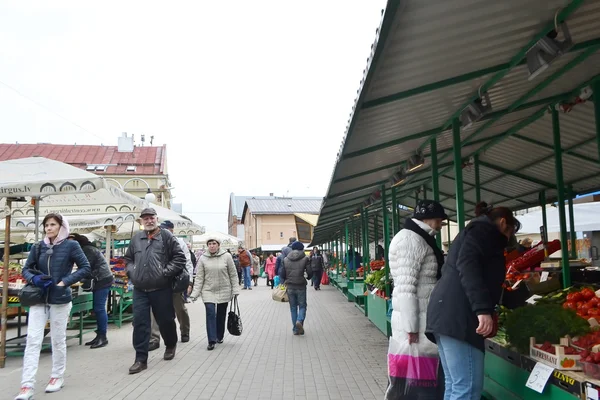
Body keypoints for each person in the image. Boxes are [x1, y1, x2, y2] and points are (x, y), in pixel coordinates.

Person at [426, 202, 521, 400]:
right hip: (460, 319)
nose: (510, 238)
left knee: (456, 386)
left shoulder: (474, 232)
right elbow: (468, 267)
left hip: (447, 314)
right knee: (466, 389)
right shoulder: (483, 232)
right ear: (503, 223)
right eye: (510, 231)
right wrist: (482, 310)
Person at [16, 214, 91, 400]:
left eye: (53, 225)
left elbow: (85, 268)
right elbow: (26, 269)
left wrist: (64, 282)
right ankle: (27, 386)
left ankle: (57, 377)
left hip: (60, 298)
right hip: (38, 298)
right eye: (46, 225)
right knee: (33, 340)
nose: (49, 228)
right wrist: (34, 278)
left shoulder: (71, 245)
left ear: (61, 226)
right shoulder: (38, 246)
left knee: (58, 339)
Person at [385, 200, 447, 399]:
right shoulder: (410, 240)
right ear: (430, 219)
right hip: (415, 325)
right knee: (417, 382)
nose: (440, 226)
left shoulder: (420, 237)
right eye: (439, 221)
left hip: (423, 318)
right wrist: (410, 327)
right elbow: (405, 288)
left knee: (423, 379)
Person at [124, 208, 187, 375]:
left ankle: (170, 344)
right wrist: (132, 272)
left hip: (161, 288)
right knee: (140, 323)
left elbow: (179, 257)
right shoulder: (136, 238)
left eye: (151, 218)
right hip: (140, 289)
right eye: (145, 218)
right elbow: (128, 259)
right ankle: (140, 359)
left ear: (156, 219)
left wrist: (165, 273)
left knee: (166, 320)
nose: (149, 221)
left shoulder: (166, 236)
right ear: (141, 221)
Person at [148, 221, 193, 350]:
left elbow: (188, 262)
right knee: (155, 309)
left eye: (165, 229)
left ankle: (185, 331)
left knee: (179, 307)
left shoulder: (179, 242)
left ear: (171, 230)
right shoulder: (153, 241)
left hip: (175, 281)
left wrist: (189, 282)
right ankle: (154, 338)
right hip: (158, 282)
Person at [190, 236, 239, 350]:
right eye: (210, 244)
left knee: (221, 315)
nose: (212, 246)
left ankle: (219, 336)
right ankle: (211, 340)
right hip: (208, 290)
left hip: (224, 289)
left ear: (218, 245)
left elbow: (233, 274)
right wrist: (195, 293)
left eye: (214, 243)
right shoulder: (203, 258)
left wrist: (235, 289)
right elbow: (199, 277)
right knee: (210, 313)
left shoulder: (226, 256)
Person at [68, 233, 115, 349]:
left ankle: (103, 337)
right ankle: (99, 335)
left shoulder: (87, 250)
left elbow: (85, 268)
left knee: (99, 308)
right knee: (97, 308)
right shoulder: (84, 249)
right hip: (99, 279)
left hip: (102, 280)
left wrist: (71, 279)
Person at [280, 241, 312, 335]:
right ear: (302, 249)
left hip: (290, 286)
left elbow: (282, 274)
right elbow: (310, 272)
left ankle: (295, 329)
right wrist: (309, 277)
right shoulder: (305, 258)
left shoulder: (285, 259)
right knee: (302, 306)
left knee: (293, 308)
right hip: (301, 286)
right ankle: (299, 320)